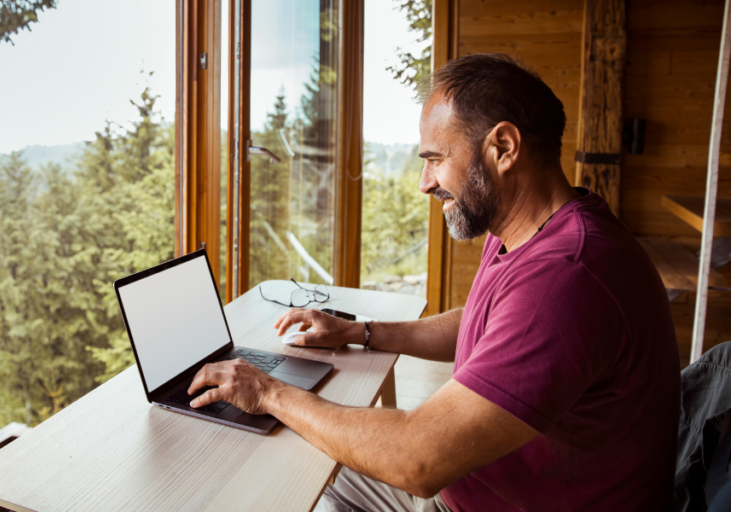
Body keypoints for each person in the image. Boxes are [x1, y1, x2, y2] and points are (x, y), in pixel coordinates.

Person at [187, 53, 681, 511]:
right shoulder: (533, 230)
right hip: (479, 489)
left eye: (435, 158)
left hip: (477, 499)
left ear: (503, 148)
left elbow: (416, 460)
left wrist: (269, 392)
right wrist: (360, 332)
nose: (425, 182)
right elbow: (484, 323)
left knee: (299, 464)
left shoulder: (568, 275)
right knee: (316, 459)